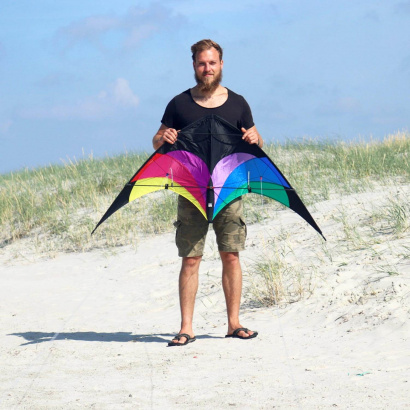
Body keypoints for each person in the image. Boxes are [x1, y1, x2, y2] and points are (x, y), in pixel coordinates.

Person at [152, 39, 263, 346]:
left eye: (212, 63)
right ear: (194, 66)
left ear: (221, 64)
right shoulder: (179, 103)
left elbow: (256, 144)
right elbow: (157, 141)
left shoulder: (238, 103)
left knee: (231, 254)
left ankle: (233, 323)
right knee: (191, 258)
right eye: (202, 63)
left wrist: (256, 136)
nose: (207, 68)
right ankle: (186, 327)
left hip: (229, 189)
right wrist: (164, 136)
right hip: (191, 190)